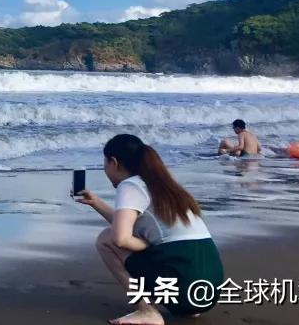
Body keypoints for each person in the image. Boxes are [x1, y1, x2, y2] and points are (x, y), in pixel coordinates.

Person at [76, 134, 223, 324]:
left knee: (105, 239)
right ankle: (186, 308)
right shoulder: (162, 185)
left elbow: (120, 238)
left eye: (105, 163)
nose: (105, 169)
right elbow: (126, 226)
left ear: (114, 162)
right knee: (129, 237)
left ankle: (147, 311)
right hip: (207, 292)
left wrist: (146, 245)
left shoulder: (130, 185)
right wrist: (95, 202)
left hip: (184, 285)